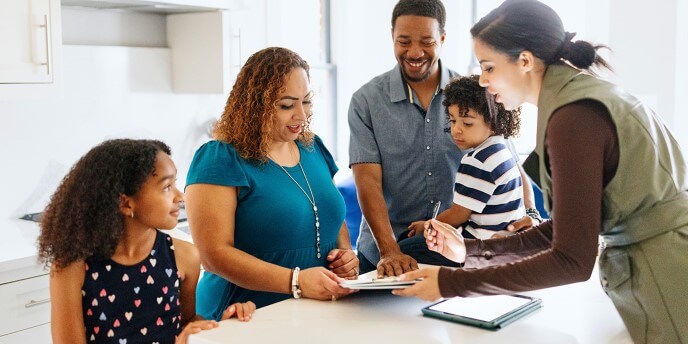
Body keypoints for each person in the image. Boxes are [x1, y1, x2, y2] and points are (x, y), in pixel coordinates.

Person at [393, 1, 688, 343]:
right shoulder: (582, 97)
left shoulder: (572, 118)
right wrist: (471, 252)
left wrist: (450, 283)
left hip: (665, 274)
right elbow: (563, 230)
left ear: (525, 61)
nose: (484, 81)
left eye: (488, 67)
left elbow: (571, 260)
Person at [348, 0, 538, 277]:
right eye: (404, 41)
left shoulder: (475, 94)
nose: (414, 52)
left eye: (426, 41)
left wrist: (530, 216)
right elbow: (367, 181)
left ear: (443, 39)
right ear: (392, 37)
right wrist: (390, 250)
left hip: (457, 253)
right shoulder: (366, 101)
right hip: (385, 252)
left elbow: (512, 166)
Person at [185, 47, 358, 317]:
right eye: (287, 105)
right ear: (255, 106)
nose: (301, 115)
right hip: (242, 314)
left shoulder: (313, 148)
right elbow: (213, 255)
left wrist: (345, 254)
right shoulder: (221, 157)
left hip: (312, 311)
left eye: (307, 101)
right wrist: (296, 282)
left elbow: (328, 213)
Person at [38, 139, 255, 344]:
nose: (180, 196)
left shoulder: (184, 257)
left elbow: (185, 324)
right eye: (166, 187)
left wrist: (220, 325)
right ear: (126, 203)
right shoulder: (72, 267)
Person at [407, 75, 525, 240]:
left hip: (481, 243)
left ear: (493, 121)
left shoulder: (477, 161)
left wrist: (427, 225)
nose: (456, 130)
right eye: (453, 121)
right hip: (506, 239)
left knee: (408, 246)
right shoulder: (501, 150)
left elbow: (458, 215)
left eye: (467, 123)